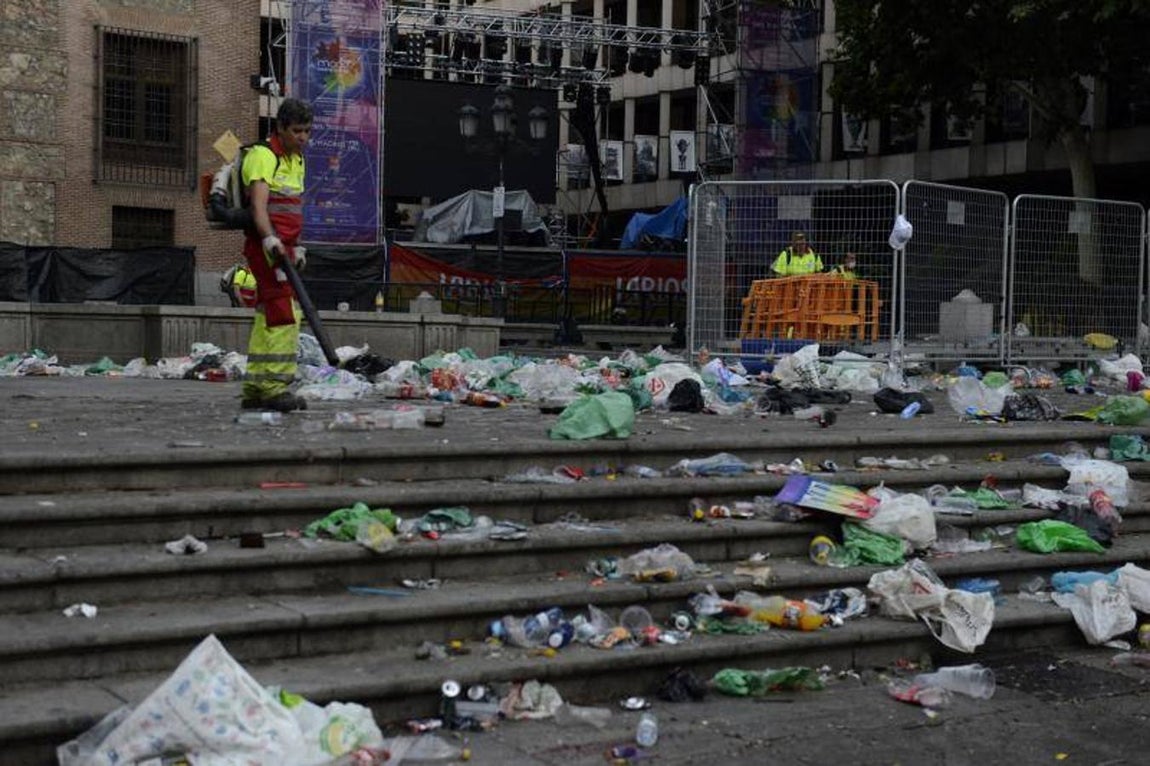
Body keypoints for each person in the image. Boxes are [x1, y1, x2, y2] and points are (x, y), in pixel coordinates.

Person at [239, 97, 313, 412]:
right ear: (280, 127)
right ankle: (274, 388)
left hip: (284, 248)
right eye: (297, 131)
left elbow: (292, 209)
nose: (303, 138)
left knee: (268, 312)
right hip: (267, 248)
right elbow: (259, 206)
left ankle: (256, 384)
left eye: (307, 131)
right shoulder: (263, 155)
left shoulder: (297, 160)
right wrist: (270, 240)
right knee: (286, 313)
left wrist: (295, 246)